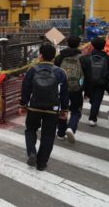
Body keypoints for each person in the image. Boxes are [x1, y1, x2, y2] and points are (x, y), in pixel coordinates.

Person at [20, 43, 68, 171]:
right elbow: (64, 93)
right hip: (52, 110)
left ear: (40, 55)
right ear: (54, 57)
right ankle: (41, 163)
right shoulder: (60, 72)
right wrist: (64, 110)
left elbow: (25, 89)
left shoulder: (32, 70)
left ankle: (31, 152)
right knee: (48, 135)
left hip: (34, 107)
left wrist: (23, 104)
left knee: (30, 130)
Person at [54, 36, 84, 143]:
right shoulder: (82, 57)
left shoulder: (60, 57)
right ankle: (71, 127)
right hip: (76, 88)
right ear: (79, 44)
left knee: (63, 109)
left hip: (62, 87)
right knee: (76, 110)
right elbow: (85, 75)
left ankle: (61, 133)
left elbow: (55, 72)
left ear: (67, 43)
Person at [80, 37, 109, 126]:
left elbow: (82, 71)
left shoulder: (84, 58)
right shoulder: (108, 58)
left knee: (93, 98)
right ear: (104, 46)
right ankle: (92, 118)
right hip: (102, 82)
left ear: (92, 46)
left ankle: (93, 110)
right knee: (97, 99)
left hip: (88, 83)